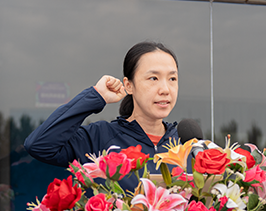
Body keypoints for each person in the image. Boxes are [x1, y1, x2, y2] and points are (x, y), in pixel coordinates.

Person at [24, 41, 180, 192]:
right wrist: (96, 96)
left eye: (172, 79)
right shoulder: (99, 138)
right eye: (153, 78)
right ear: (128, 85)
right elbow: (39, 145)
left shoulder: (186, 144)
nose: (165, 89)